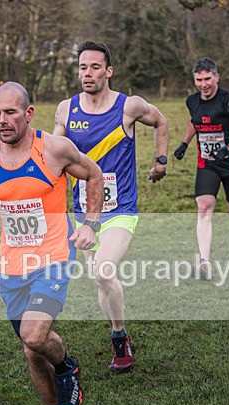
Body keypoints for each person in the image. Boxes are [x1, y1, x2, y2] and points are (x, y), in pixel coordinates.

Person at [0, 82, 104, 405]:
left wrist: (91, 224)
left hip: (54, 257)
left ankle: (67, 366)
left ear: (28, 113)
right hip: (11, 266)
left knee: (33, 334)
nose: (2, 120)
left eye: (10, 112)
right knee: (31, 350)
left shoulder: (54, 149)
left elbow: (94, 174)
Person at [53, 41, 168, 372]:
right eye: (83, 67)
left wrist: (161, 161)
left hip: (120, 210)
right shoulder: (66, 109)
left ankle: (119, 336)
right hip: (84, 212)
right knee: (101, 279)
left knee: (103, 271)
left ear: (108, 71)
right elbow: (53, 153)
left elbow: (161, 122)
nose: (87, 73)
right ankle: (119, 331)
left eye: (95, 67)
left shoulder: (129, 106)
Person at [173, 58, 229, 280]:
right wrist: (184, 143)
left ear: (216, 77)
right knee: (204, 207)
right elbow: (195, 121)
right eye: (199, 80)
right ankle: (204, 262)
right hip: (207, 163)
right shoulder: (192, 101)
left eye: (207, 79)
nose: (204, 84)